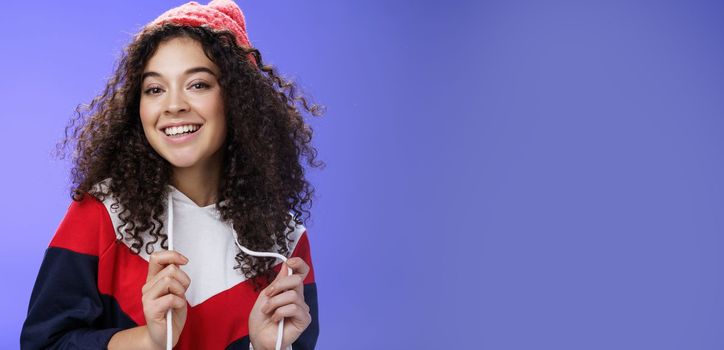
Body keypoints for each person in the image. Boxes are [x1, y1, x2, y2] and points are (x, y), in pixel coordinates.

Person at [20, 1, 323, 349]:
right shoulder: (100, 214)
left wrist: (267, 347)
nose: (173, 104)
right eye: (154, 89)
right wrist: (149, 340)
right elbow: (42, 343)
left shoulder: (284, 242)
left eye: (198, 84)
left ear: (239, 99)